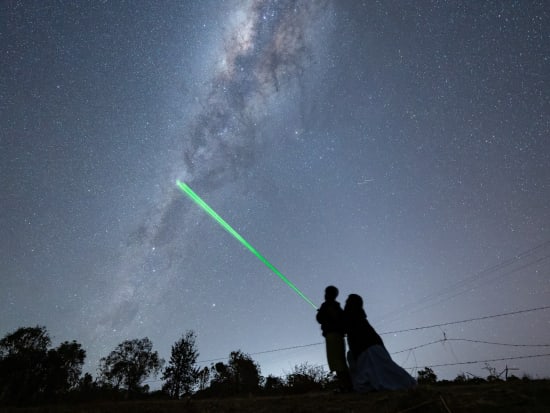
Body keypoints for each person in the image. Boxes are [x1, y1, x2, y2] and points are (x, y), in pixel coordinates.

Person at [344, 294, 416, 392]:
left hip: (366, 348)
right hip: (372, 346)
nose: (345, 303)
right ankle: (405, 383)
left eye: (347, 301)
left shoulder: (351, 315)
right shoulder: (359, 316)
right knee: (385, 369)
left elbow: (343, 327)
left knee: (376, 371)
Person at [316, 285, 352, 392]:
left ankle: (347, 387)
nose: (325, 295)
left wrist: (321, 313)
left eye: (327, 293)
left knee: (337, 361)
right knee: (339, 361)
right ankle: (346, 385)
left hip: (333, 335)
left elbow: (319, 319)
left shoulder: (328, 305)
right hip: (337, 335)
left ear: (329, 294)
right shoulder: (337, 307)